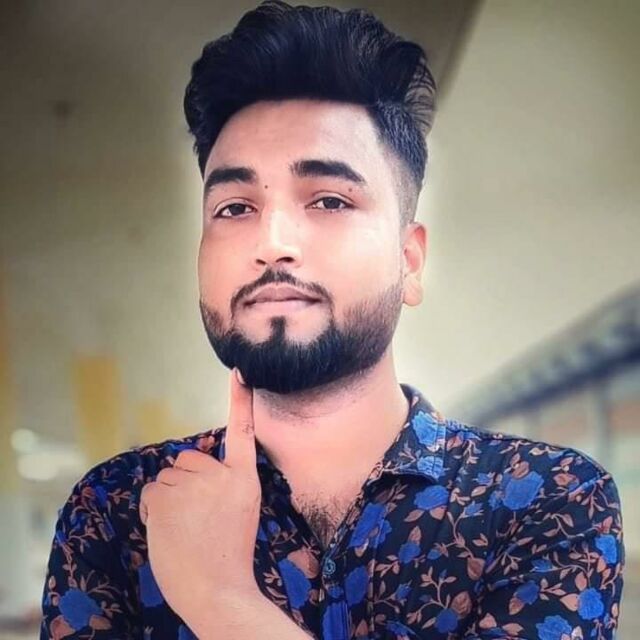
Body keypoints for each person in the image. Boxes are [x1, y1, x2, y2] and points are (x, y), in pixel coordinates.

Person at [40, 1, 624, 638]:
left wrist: (219, 599)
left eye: (328, 200)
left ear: (409, 260)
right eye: (234, 208)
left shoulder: (547, 498)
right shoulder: (122, 508)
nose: (273, 242)